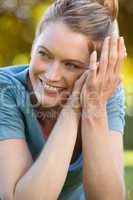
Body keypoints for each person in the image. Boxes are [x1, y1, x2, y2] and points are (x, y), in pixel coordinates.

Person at [0, 0, 127, 199]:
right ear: (34, 46)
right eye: (44, 54)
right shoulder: (6, 89)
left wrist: (93, 106)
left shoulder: (104, 91)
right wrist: (72, 109)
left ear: (98, 69)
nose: (51, 76)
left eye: (72, 65)